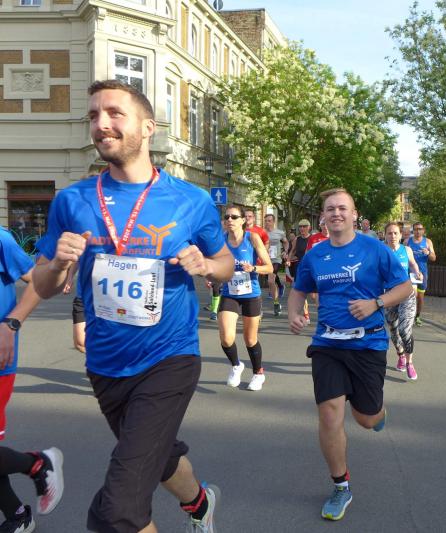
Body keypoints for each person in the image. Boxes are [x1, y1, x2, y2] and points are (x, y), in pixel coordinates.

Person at [32, 79, 233, 533]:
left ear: (147, 127)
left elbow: (225, 263)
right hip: (105, 363)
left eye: (114, 113)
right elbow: (42, 285)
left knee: (119, 507)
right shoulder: (72, 200)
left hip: (170, 357)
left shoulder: (191, 200)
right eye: (93, 116)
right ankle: (200, 504)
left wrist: (206, 265)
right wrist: (59, 264)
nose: (101, 124)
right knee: (157, 457)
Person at [288, 189, 412, 522]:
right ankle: (341, 486)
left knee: (366, 419)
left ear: (354, 215)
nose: (336, 213)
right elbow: (299, 289)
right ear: (323, 217)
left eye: (343, 208)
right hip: (327, 344)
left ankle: (377, 411)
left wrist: (376, 303)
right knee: (329, 414)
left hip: (367, 344)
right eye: (330, 209)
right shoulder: (315, 255)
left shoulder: (375, 249)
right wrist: (294, 313)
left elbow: (405, 287)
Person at [0, 227, 64, 532]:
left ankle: (37, 464)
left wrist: (10, 324)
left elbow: (37, 280)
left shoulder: (1, 240)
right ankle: (17, 516)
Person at [218, 205, 273, 391]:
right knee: (226, 338)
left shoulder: (252, 238)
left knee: (250, 339)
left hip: (251, 294)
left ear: (243, 220)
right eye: (227, 217)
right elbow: (214, 263)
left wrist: (253, 268)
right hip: (229, 293)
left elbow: (269, 267)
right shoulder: (221, 240)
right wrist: (212, 275)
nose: (230, 220)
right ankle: (236, 365)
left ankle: (258, 373)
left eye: (234, 217)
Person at [383, 222, 423, 380]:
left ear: (400, 235)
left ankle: (409, 362)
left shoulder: (406, 250)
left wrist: (417, 272)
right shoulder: (381, 251)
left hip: (406, 294)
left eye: (395, 233)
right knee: (393, 329)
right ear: (385, 235)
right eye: (389, 233)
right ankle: (400, 354)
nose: (392, 236)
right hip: (389, 296)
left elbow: (413, 264)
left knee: (405, 330)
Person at [407, 222, 436, 326]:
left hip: (422, 274)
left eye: (420, 229)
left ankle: (417, 316)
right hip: (410, 273)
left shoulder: (427, 242)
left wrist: (428, 253)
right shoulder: (407, 241)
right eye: (415, 229)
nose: (418, 231)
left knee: (420, 297)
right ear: (413, 231)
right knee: (412, 295)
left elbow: (434, 258)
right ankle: (409, 316)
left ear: (423, 230)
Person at [264, 213, 289, 317]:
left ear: (274, 221)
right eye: (266, 221)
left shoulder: (280, 233)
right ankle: (279, 288)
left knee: (270, 280)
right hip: (265, 259)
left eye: (269, 221)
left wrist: (285, 251)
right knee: (271, 281)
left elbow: (286, 242)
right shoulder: (262, 232)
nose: (267, 223)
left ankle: (276, 304)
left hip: (276, 259)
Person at [287, 219, 312, 323]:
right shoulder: (297, 239)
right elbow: (292, 251)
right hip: (300, 267)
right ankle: (306, 314)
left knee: (314, 295)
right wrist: (288, 260)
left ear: (309, 227)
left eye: (304, 226)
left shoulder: (312, 238)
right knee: (301, 291)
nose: (302, 229)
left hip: (311, 267)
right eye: (300, 227)